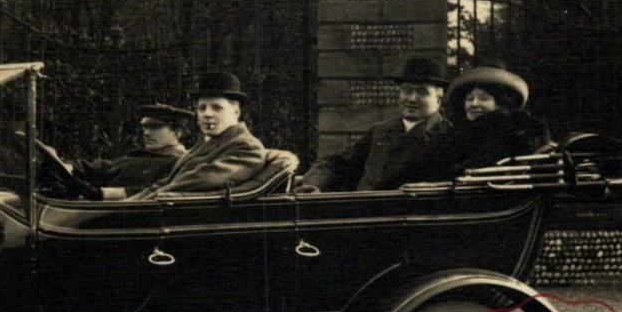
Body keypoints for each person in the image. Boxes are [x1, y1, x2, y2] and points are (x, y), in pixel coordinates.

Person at [298, 57, 451, 192]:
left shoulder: (446, 135)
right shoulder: (381, 130)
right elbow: (339, 164)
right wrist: (315, 184)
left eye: (422, 92)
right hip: (363, 211)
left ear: (438, 99)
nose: (411, 98)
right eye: (407, 90)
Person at [133, 72, 266, 199]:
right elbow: (168, 182)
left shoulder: (247, 147)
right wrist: (130, 203)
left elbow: (200, 180)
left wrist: (146, 200)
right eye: (202, 108)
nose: (207, 114)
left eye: (217, 108)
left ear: (236, 112)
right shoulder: (208, 143)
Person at [433, 63, 550, 179]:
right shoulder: (454, 134)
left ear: (501, 103)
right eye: (469, 98)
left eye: (484, 98)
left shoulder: (517, 134)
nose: (474, 104)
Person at [64, 104, 194, 198]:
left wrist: (100, 193)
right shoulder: (138, 156)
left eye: (154, 127)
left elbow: (150, 192)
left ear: (177, 133)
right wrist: (71, 167)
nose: (146, 133)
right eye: (145, 128)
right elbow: (105, 168)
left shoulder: (178, 163)